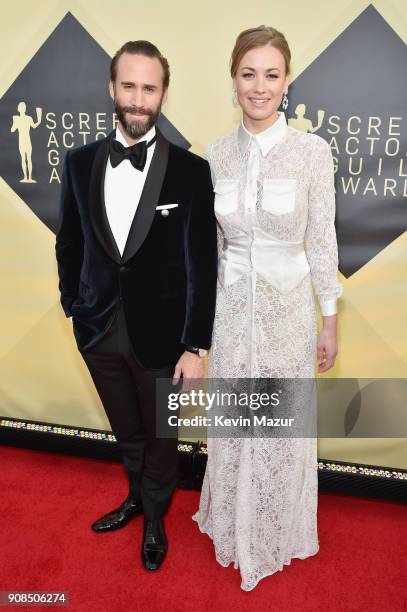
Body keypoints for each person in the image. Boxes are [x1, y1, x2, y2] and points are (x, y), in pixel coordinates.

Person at [55, 40, 217, 571]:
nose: (138, 99)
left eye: (150, 88)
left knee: (162, 437)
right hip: (99, 328)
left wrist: (195, 345)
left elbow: (201, 265)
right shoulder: (78, 164)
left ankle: (154, 515)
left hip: (163, 337)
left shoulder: (191, 172)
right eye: (129, 86)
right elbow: (70, 243)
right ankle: (133, 496)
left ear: (163, 93)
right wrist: (74, 308)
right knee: (126, 430)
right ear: (112, 88)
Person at [192, 26, 342, 591]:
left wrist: (329, 319)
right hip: (230, 312)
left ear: (287, 81)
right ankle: (233, 523)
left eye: (271, 74)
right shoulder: (215, 153)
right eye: (248, 73)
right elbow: (207, 247)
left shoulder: (311, 151)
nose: (259, 86)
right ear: (233, 79)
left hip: (287, 315)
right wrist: (197, 330)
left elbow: (323, 239)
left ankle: (277, 529)